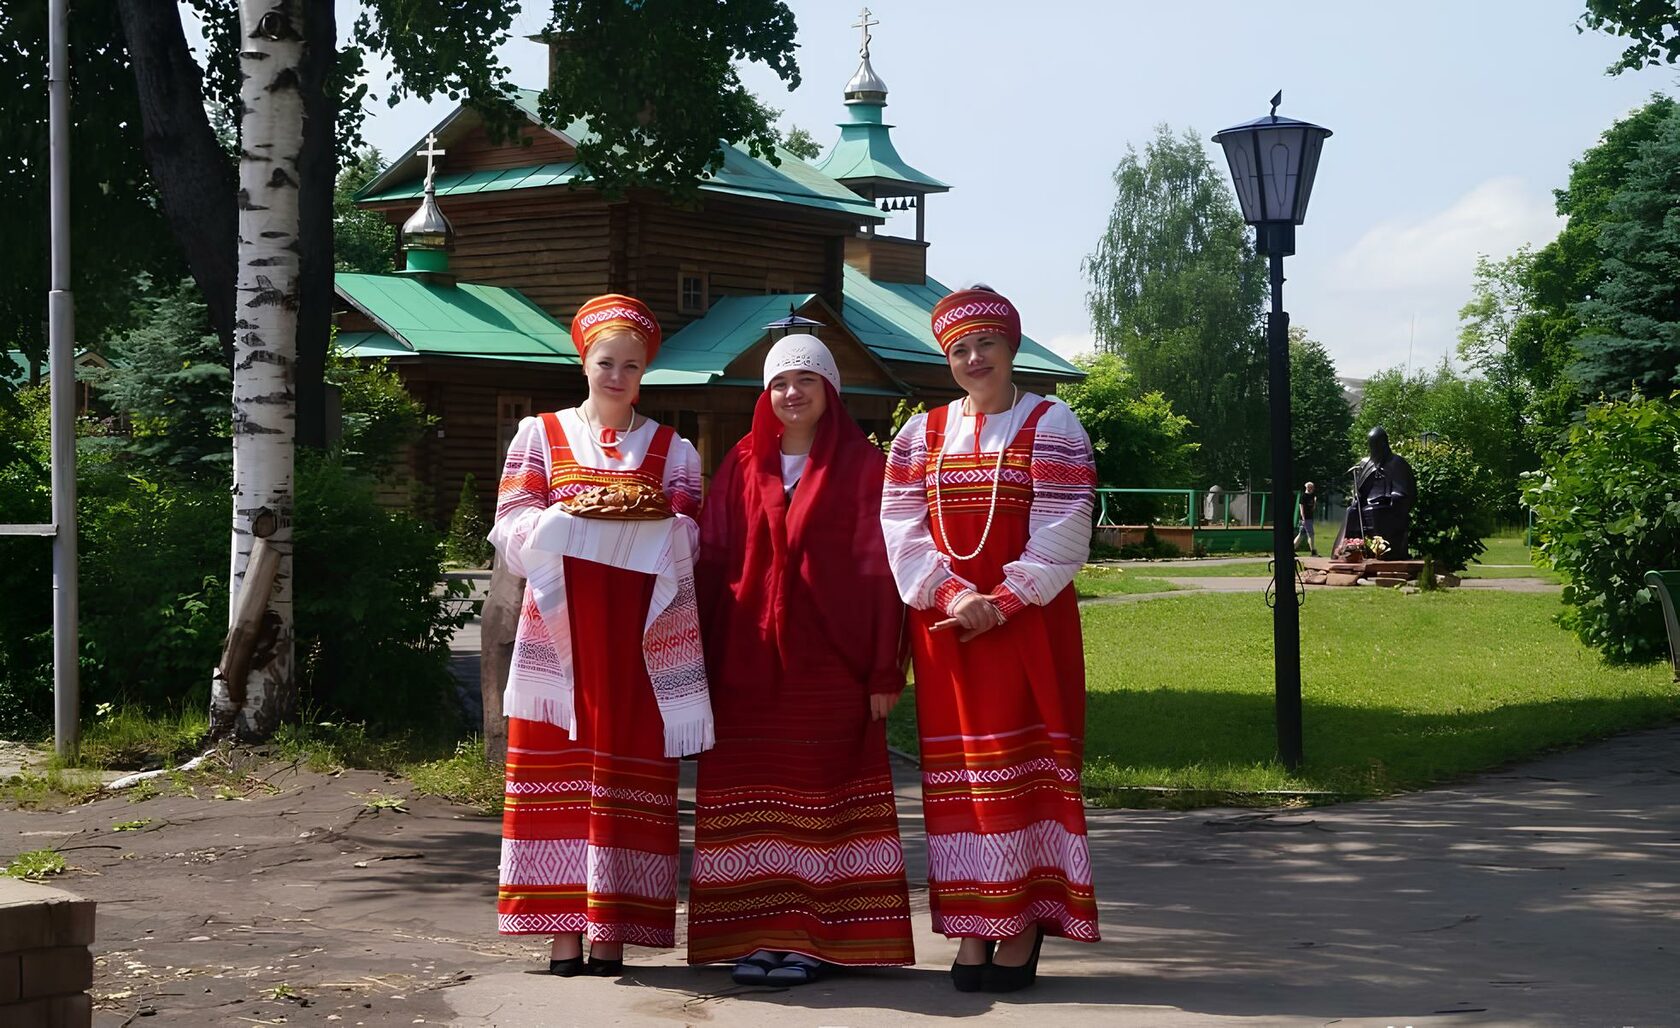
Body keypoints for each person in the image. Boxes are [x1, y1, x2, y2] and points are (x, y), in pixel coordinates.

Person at [882, 286, 1101, 994]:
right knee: (962, 786)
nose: (974, 359)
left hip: (1027, 629)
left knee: (1019, 777)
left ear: (1011, 348)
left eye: (986, 345)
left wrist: (999, 603)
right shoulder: (921, 434)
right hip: (949, 631)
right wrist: (956, 597)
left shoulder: (1053, 423)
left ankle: (1024, 922)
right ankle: (974, 924)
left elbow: (1066, 531)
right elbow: (900, 529)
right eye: (959, 349)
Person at [487, 294, 711, 977]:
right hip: (563, 631)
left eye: (632, 367)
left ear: (646, 374)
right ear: (584, 362)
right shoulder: (541, 435)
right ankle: (561, 934)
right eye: (606, 363)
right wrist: (560, 527)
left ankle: (611, 929)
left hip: (639, 636)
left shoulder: (673, 450)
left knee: (623, 769)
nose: (618, 376)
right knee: (564, 768)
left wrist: (659, 528)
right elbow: (511, 524)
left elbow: (691, 536)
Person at [689, 333, 916, 985]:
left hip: (832, 667)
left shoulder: (864, 467)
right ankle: (760, 935)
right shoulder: (738, 463)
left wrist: (882, 671)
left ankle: (815, 940)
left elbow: (881, 576)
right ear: (767, 395)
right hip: (747, 665)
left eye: (806, 381)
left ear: (830, 391)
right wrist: (697, 664)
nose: (792, 394)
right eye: (780, 384)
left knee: (822, 801)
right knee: (752, 794)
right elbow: (712, 563)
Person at [1295, 481, 1319, 556]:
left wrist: (1315, 502)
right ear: (1307, 487)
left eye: (1312, 487)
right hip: (1305, 518)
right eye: (1310, 487)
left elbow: (1313, 508)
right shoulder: (1303, 496)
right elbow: (1301, 508)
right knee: (1311, 534)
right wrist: (1303, 519)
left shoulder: (1312, 496)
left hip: (1310, 517)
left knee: (1301, 535)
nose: (1312, 489)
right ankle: (1313, 551)